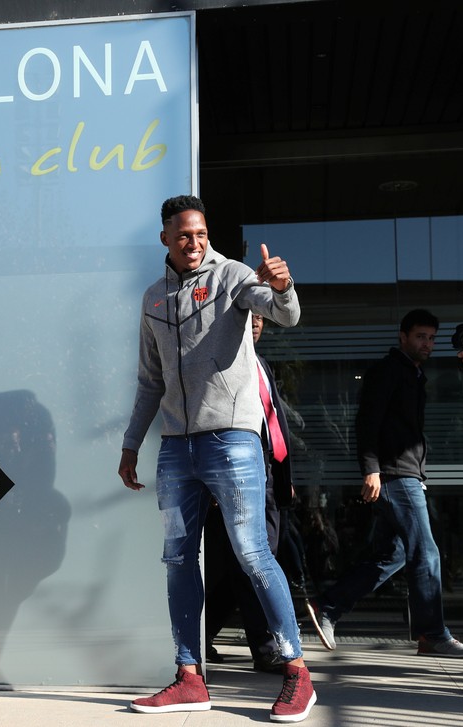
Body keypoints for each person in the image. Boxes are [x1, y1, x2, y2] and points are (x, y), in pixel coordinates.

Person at [119, 195, 315, 723]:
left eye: (201, 233)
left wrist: (281, 285)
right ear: (165, 238)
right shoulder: (153, 298)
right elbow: (149, 380)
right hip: (176, 447)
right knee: (178, 559)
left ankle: (297, 671)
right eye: (184, 234)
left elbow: (285, 314)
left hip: (231, 440)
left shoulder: (231, 277)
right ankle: (189, 677)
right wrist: (132, 443)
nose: (194, 242)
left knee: (252, 552)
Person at [306, 309, 463, 658]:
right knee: (426, 552)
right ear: (403, 337)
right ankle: (432, 634)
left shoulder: (414, 375)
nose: (427, 343)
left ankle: (328, 607)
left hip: (406, 474)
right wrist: (372, 469)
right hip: (394, 475)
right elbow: (367, 422)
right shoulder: (388, 371)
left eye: (432, 338)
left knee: (392, 555)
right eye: (421, 336)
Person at [204, 313, 296, 674]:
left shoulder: (260, 363)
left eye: (260, 318)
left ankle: (203, 634)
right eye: (248, 316)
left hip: (267, 473)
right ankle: (265, 647)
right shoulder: (222, 363)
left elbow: (273, 422)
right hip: (236, 474)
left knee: (240, 565)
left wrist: (282, 471)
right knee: (256, 560)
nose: (255, 322)